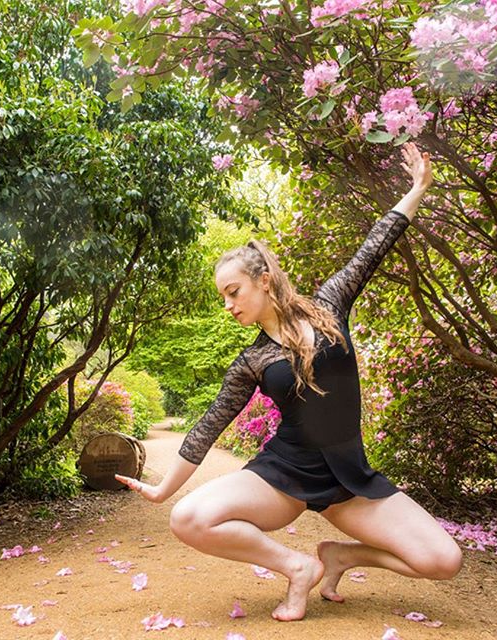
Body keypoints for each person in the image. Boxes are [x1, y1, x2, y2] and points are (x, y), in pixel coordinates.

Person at [116, 142, 462, 622]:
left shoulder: (329, 306)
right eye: (223, 297)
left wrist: (418, 186)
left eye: (233, 291)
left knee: (444, 562)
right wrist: (162, 490)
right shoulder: (252, 361)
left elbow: (375, 243)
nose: (228, 305)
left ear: (262, 279)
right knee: (187, 519)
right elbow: (209, 425)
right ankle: (296, 567)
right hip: (285, 476)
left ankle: (340, 556)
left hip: (348, 478)